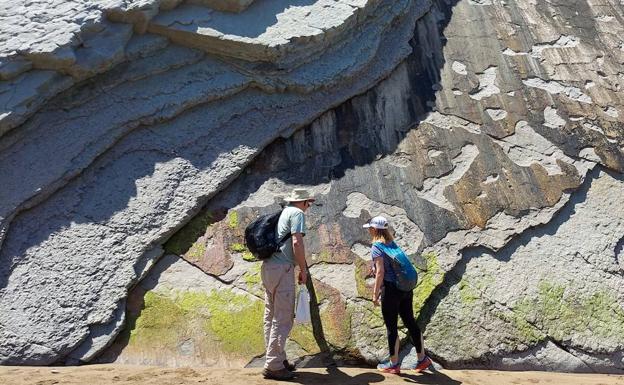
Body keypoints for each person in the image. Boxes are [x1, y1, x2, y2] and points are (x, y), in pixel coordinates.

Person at [364, 216, 432, 374]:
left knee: (391, 327)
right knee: (410, 322)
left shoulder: (377, 246)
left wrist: (375, 294)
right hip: (405, 289)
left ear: (374, 229)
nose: (368, 230)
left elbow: (380, 272)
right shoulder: (391, 243)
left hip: (391, 290)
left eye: (370, 228)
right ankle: (422, 359)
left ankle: (393, 365)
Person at [261, 188, 314, 381]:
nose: (309, 207)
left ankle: (277, 358)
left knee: (271, 315)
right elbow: (297, 243)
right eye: (309, 203)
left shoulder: (284, 212)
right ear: (304, 202)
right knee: (282, 318)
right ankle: (274, 365)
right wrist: (303, 269)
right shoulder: (297, 213)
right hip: (283, 269)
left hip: (268, 268)